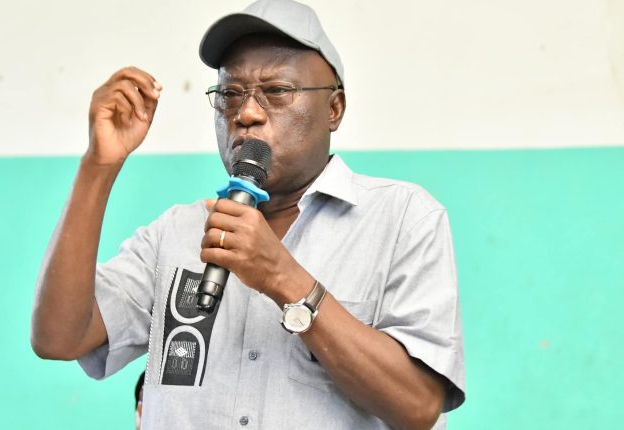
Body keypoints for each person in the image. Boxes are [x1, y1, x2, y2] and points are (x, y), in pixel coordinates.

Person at [31, 0, 465, 428]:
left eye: (277, 91)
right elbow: (59, 338)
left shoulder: (403, 218)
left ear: (334, 109)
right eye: (229, 94)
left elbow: (418, 405)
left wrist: (284, 279)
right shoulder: (176, 233)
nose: (247, 114)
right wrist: (99, 166)